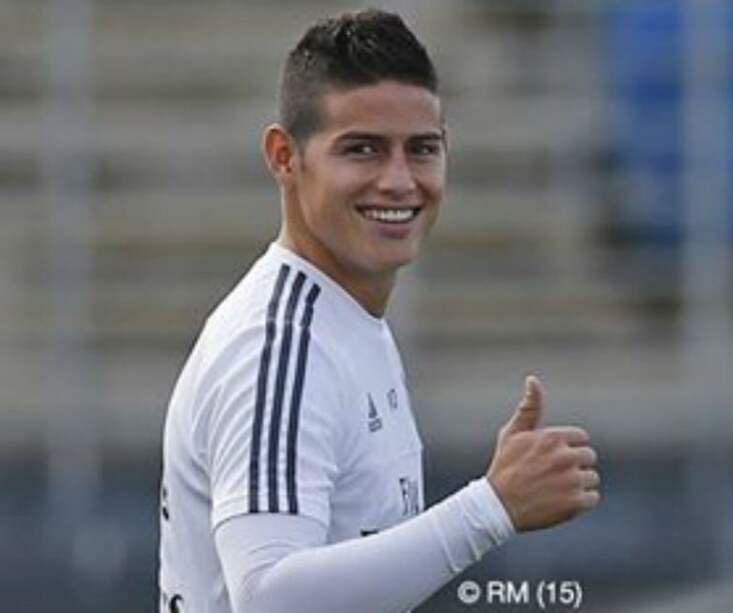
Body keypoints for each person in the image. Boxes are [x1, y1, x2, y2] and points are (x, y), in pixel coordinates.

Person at [157, 9, 600, 613]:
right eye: (362, 149)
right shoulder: (276, 343)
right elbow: (267, 597)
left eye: (422, 149)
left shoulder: (350, 317)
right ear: (284, 157)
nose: (399, 181)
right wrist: (490, 508)